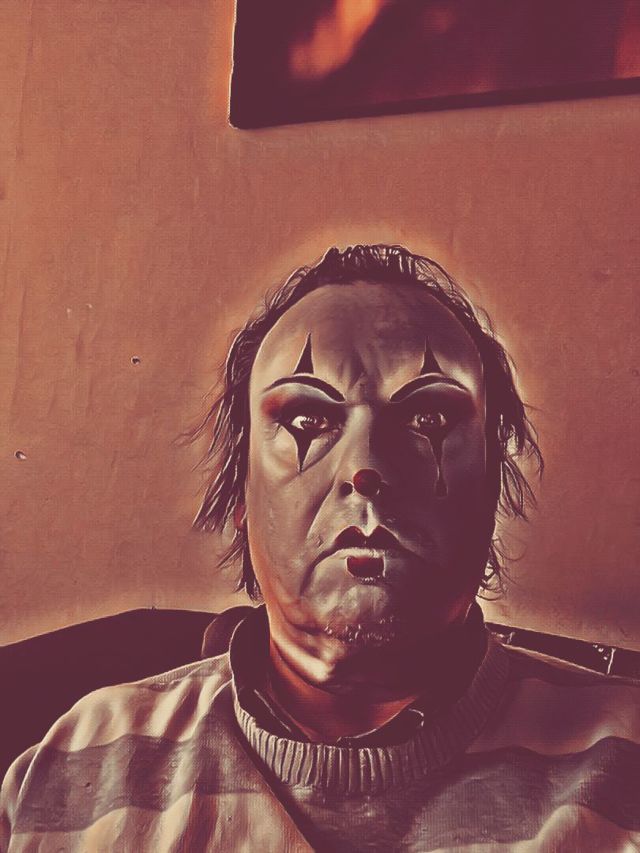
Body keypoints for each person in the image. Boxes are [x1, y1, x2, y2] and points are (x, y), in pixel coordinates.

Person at [1, 244, 638, 852]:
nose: (366, 469)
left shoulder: (625, 762)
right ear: (242, 489)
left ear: (492, 483)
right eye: (307, 420)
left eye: (428, 419)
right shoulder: (71, 762)